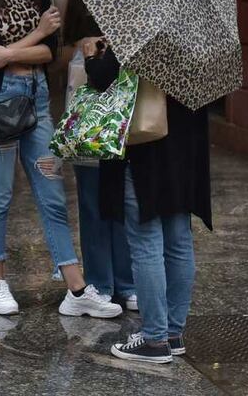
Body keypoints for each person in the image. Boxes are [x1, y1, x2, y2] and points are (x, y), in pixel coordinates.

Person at [0, 0, 122, 320]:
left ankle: (76, 288)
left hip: (37, 101)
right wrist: (35, 36)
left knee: (51, 192)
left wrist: (14, 51)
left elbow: (49, 55)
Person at [84, 45, 212, 365]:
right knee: (179, 238)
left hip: (145, 149)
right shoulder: (193, 34)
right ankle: (171, 333)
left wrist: (92, 57)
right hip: (183, 150)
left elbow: (104, 78)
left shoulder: (140, 26)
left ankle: (154, 340)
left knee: (146, 240)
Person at [55, 0, 137, 312]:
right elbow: (60, 60)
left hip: (106, 124)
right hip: (102, 123)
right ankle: (111, 284)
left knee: (107, 205)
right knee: (101, 204)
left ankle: (113, 284)